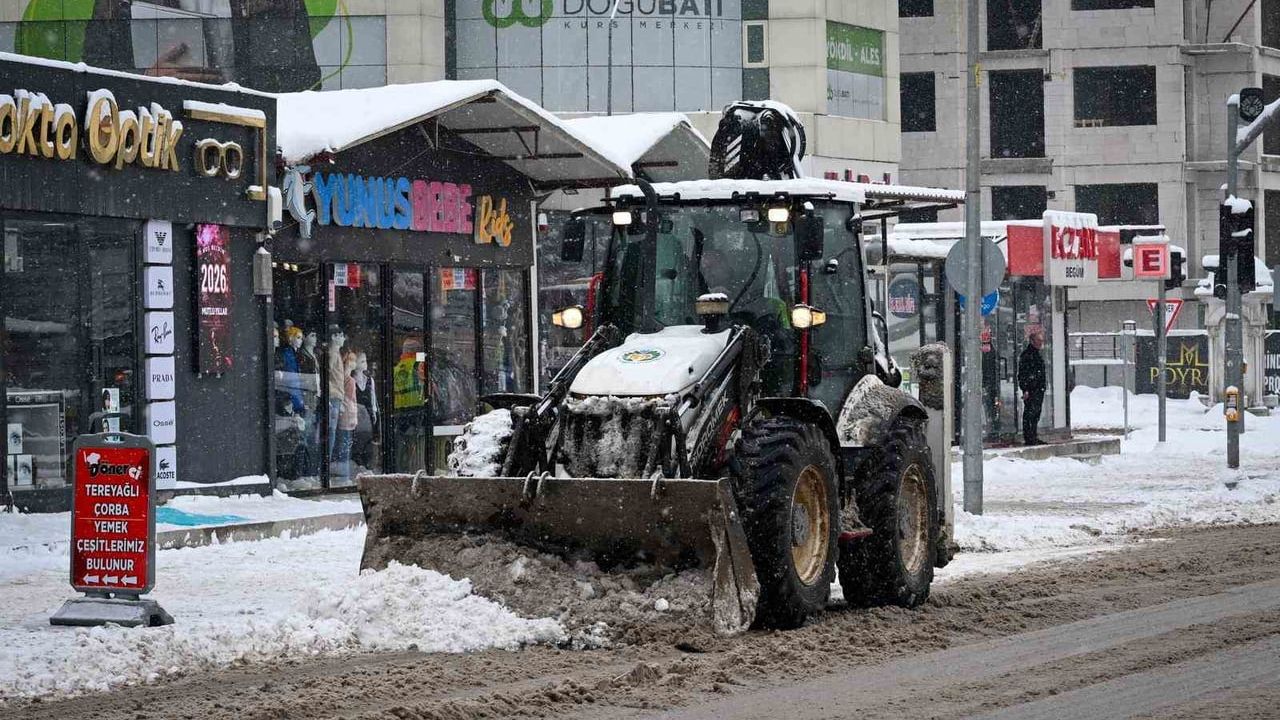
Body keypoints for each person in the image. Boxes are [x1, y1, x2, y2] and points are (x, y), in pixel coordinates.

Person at [1018, 326, 1047, 445]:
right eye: (1039, 341)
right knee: (1030, 413)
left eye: (1041, 341)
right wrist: (1026, 388)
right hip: (1031, 389)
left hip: (1037, 388)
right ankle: (1029, 437)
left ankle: (1032, 436)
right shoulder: (1028, 355)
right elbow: (1023, 374)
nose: (1041, 343)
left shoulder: (1035, 355)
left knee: (1035, 413)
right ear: (1032, 341)